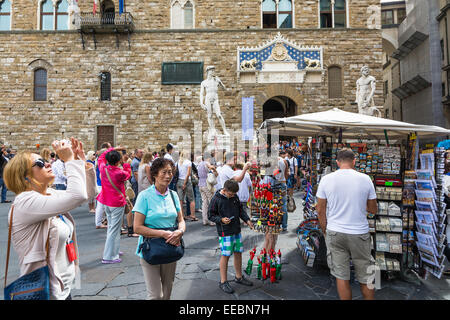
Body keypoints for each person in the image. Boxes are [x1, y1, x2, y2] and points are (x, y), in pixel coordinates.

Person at [3, 138, 96, 300]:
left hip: (63, 288)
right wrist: (68, 160)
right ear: (24, 176)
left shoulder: (50, 194)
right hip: (44, 290)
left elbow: (88, 194)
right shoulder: (25, 202)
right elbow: (77, 196)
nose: (47, 164)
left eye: (45, 160)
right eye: (39, 163)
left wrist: (81, 163)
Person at [316, 148, 377, 300]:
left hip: (335, 232)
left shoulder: (326, 179)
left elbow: (320, 210)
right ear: (354, 161)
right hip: (359, 233)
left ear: (337, 162)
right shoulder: (365, 179)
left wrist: (325, 230)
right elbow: (373, 210)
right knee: (367, 275)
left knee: (341, 276)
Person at [133, 157, 186, 300]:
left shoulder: (174, 196)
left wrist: (180, 231)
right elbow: (137, 227)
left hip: (170, 247)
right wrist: (162, 233)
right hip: (150, 249)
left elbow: (181, 220)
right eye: (164, 172)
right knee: (155, 295)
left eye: (170, 172)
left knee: (167, 293)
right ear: (155, 174)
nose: (168, 176)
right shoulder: (144, 196)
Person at [208, 179, 254, 294]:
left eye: (234, 194)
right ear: (225, 190)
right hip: (225, 232)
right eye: (231, 194)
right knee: (226, 255)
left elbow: (240, 210)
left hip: (236, 229)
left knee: (238, 252)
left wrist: (247, 220)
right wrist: (221, 219)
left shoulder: (234, 197)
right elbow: (211, 215)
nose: (233, 196)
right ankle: (223, 281)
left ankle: (239, 277)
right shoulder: (216, 199)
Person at [97, 148, 132, 264]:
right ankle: (108, 256)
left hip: (106, 201)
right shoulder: (120, 173)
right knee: (113, 229)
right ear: (118, 161)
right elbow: (128, 174)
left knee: (113, 228)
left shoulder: (103, 168)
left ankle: (114, 250)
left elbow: (101, 157)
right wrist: (126, 163)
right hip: (116, 202)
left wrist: (112, 149)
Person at [176, 151, 197, 221]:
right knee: (191, 199)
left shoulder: (178, 162)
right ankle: (193, 215)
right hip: (187, 181)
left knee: (180, 200)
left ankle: (182, 215)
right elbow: (188, 174)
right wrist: (185, 183)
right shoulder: (188, 162)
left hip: (179, 180)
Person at [198, 152, 217, 226]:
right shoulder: (206, 163)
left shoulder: (200, 164)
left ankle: (205, 220)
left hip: (200, 184)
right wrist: (214, 169)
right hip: (207, 184)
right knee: (211, 202)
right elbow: (211, 167)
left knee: (204, 203)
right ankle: (212, 220)